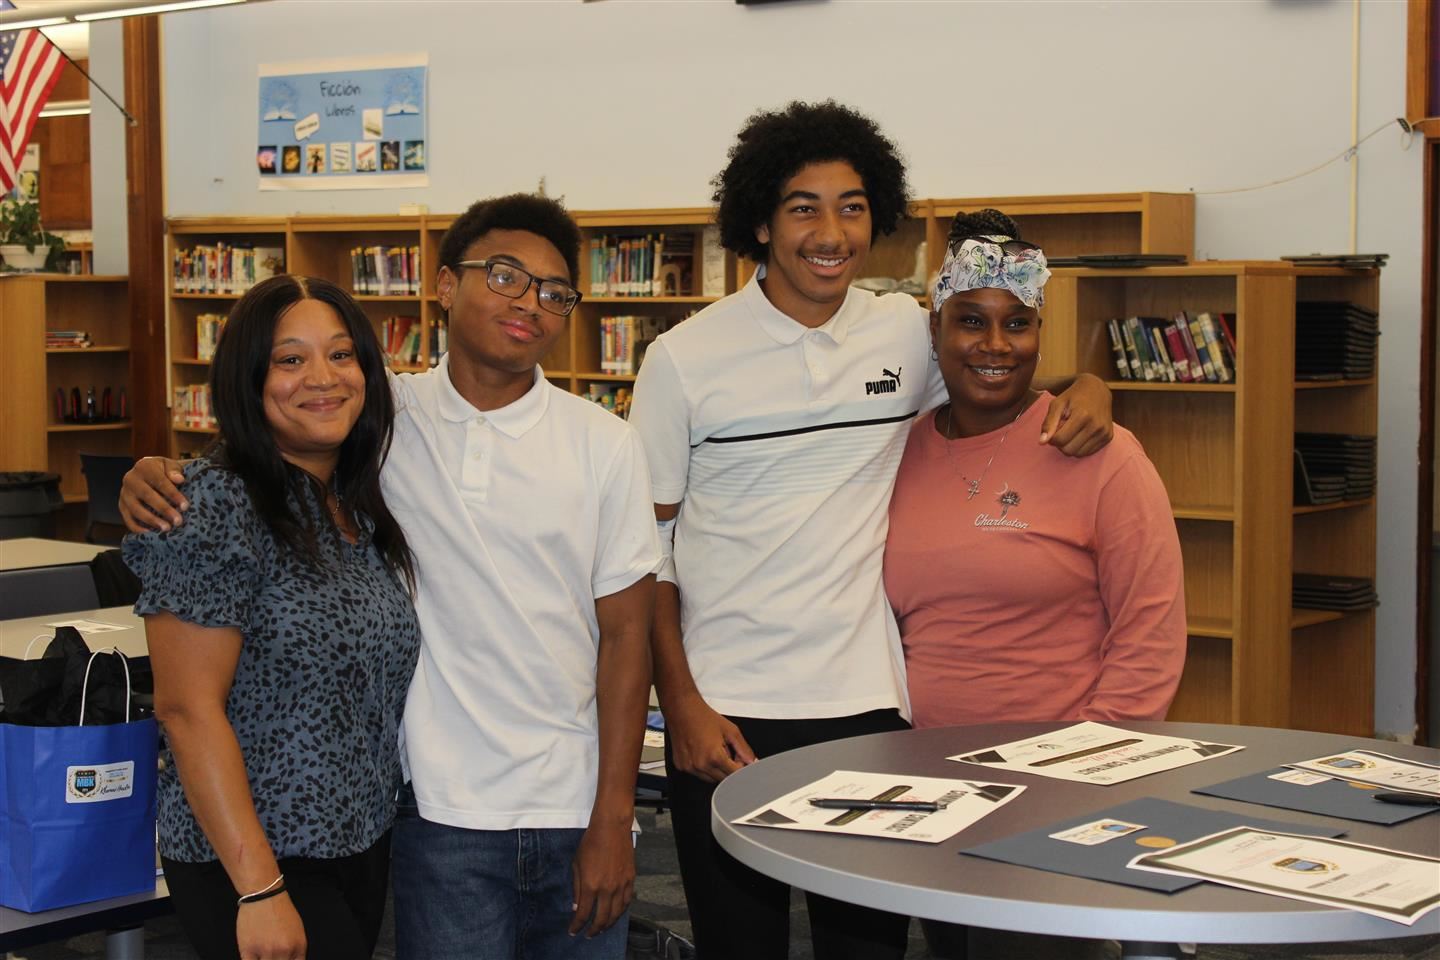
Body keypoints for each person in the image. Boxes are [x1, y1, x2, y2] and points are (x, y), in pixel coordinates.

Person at [626, 100, 1115, 960]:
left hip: (870, 708)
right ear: (762, 223)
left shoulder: (903, 333)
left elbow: (995, 375)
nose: (831, 230)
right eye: (802, 207)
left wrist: (1096, 387)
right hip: (726, 712)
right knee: (743, 946)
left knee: (869, 948)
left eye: (851, 206)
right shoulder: (683, 359)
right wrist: (685, 705)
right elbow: (647, 556)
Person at [120, 194, 659, 960]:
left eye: (554, 290)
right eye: (505, 275)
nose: (528, 302)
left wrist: (615, 813)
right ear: (443, 285)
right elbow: (188, 691)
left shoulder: (602, 442)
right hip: (428, 811)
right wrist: (151, 477)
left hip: (548, 806)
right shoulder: (383, 418)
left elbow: (628, 632)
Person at [883, 209, 1185, 960]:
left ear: (1039, 332)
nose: (994, 345)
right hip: (929, 786)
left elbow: (1150, 629)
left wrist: (1087, 764)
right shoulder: (900, 448)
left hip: (1057, 787)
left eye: (1017, 324)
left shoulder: (1099, 452)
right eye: (971, 322)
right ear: (935, 330)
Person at [122, 274, 420, 960]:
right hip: (258, 858)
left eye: (342, 355)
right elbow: (186, 709)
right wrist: (259, 890)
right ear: (248, 379)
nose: (323, 377)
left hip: (357, 842)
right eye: (291, 360)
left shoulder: (354, 506)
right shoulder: (215, 507)